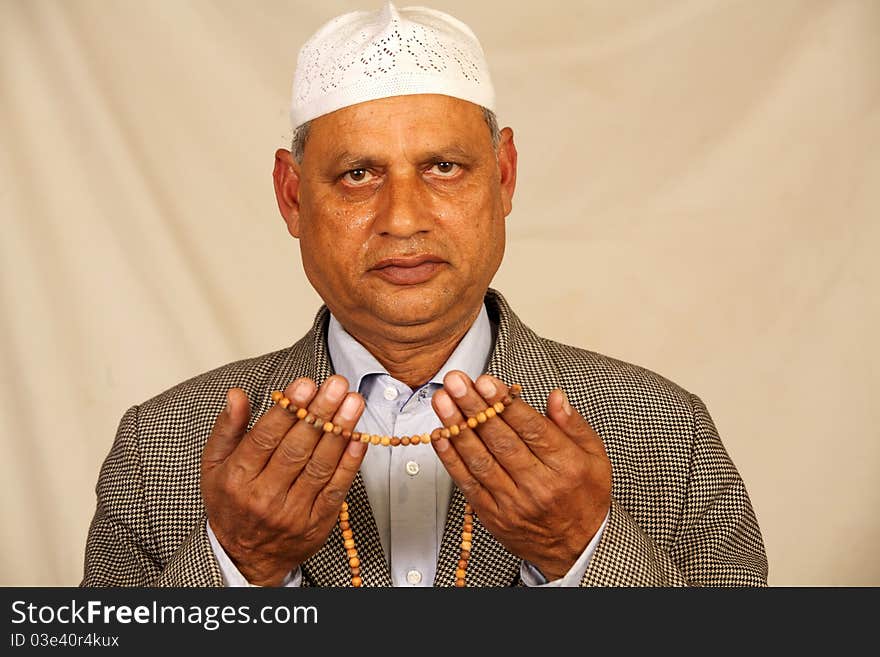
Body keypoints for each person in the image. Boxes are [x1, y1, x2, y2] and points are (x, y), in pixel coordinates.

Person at [81, 2, 767, 588]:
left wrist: (586, 552)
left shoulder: (665, 434)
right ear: (293, 196)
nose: (403, 217)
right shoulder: (160, 450)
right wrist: (234, 564)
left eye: (443, 166)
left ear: (502, 177)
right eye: (356, 173)